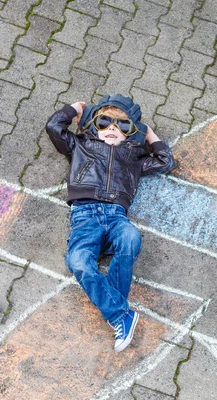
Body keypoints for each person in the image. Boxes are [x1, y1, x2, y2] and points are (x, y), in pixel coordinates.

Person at [45, 94, 175, 352]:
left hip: (116, 215)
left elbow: (165, 162)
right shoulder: (80, 145)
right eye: (105, 123)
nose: (113, 129)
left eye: (123, 126)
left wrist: (149, 133)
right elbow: (54, 128)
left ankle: (119, 314)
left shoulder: (134, 156)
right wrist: (75, 109)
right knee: (78, 261)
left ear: (131, 133)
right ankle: (120, 315)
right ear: (94, 126)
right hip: (85, 215)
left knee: (130, 238)